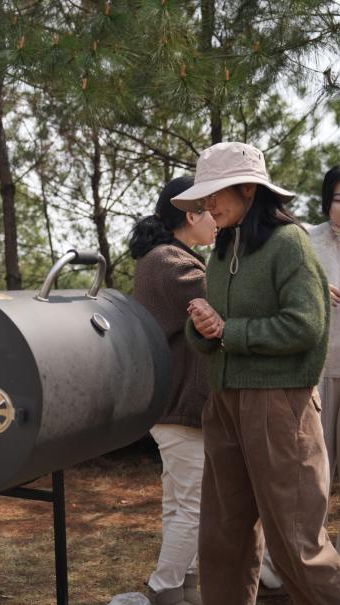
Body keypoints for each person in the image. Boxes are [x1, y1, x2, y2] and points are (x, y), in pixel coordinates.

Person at [174, 141, 340, 605]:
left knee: (297, 545)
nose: (207, 204)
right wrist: (202, 327)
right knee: (223, 539)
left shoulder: (289, 243)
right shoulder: (222, 249)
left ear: (248, 190)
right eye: (203, 196)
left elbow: (305, 325)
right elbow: (215, 330)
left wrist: (229, 331)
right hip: (224, 403)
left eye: (215, 193)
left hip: (279, 406)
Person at [130, 176, 216, 605]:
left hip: (171, 403)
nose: (218, 219)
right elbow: (230, 301)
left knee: (180, 503)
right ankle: (164, 588)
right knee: (196, 505)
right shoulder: (172, 264)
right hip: (180, 404)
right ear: (191, 215)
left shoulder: (168, 257)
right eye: (212, 210)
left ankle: (187, 587)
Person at [306, 161, 340, 591]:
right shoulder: (307, 243)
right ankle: (302, 563)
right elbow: (285, 291)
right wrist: (312, 288)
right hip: (318, 375)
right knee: (311, 478)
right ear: (327, 203)